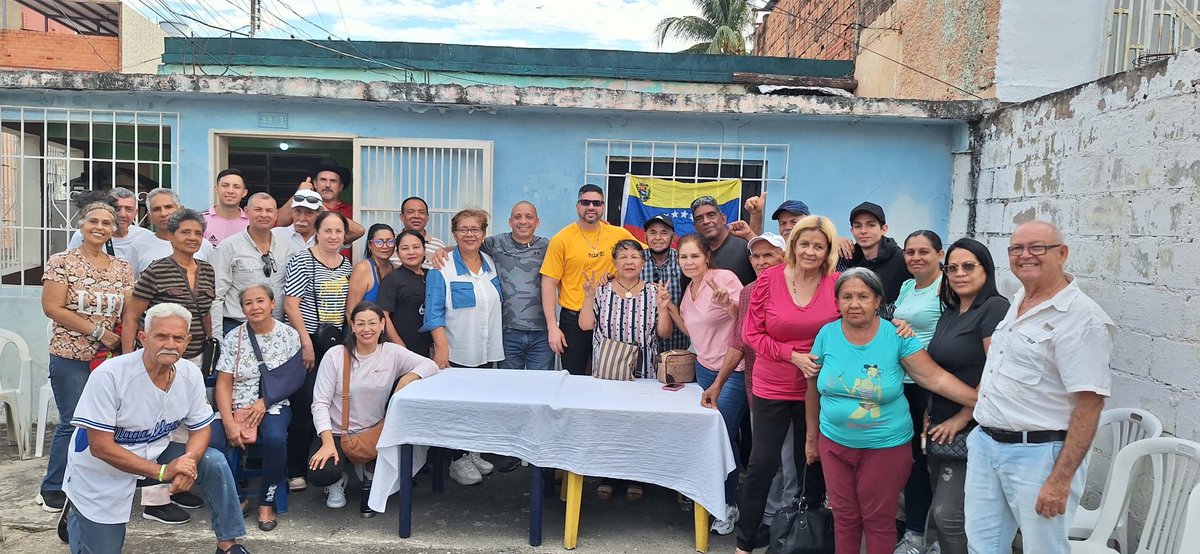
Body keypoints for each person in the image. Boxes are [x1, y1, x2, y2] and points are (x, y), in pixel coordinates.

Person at [964, 221, 1115, 554]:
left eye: (1037, 248)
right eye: (1017, 249)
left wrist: (1060, 481)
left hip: (1040, 456)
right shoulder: (1019, 299)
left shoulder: (1081, 318)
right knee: (982, 547)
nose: (1025, 255)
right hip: (988, 446)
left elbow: (1089, 405)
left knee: (1043, 549)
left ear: (1062, 254)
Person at [807, 268, 977, 554]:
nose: (854, 303)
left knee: (878, 521)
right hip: (834, 444)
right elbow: (812, 387)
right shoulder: (827, 333)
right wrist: (812, 437)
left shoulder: (896, 335)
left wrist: (980, 401)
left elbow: (934, 377)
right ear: (837, 302)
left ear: (878, 301)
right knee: (844, 518)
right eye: (847, 297)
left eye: (863, 296)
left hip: (884, 447)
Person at [61, 303, 248, 554]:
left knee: (214, 462)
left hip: (154, 451)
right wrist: (163, 472)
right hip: (100, 468)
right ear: (143, 337)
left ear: (187, 341)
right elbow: (100, 447)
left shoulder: (190, 373)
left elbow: (202, 428)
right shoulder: (110, 375)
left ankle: (228, 544)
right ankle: (77, 508)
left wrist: (188, 463)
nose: (170, 344)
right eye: (161, 336)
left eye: (178, 337)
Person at [732, 216, 841, 554]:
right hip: (772, 385)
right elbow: (752, 334)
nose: (810, 251)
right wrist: (791, 355)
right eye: (804, 244)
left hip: (818, 388)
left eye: (818, 246)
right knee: (762, 465)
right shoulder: (769, 279)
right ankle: (745, 542)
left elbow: (854, 322)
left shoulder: (836, 283)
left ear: (828, 251)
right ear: (793, 246)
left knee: (810, 463)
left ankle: (802, 540)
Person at [120, 208, 218, 524]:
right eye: (185, 232)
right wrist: (127, 360)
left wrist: (210, 347)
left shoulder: (206, 270)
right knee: (157, 429)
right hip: (159, 360)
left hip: (195, 358)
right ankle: (153, 502)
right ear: (172, 236)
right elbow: (132, 315)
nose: (192, 238)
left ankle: (174, 487)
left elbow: (203, 314)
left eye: (197, 233)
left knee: (186, 426)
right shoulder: (156, 270)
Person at [36, 200, 134, 514]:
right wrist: (98, 332)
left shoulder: (122, 268)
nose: (99, 227)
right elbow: (53, 307)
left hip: (109, 359)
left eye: (107, 223)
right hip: (71, 355)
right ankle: (53, 487)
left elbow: (130, 311)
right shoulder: (61, 261)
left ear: (113, 230)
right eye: (94, 221)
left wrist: (128, 352)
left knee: (106, 423)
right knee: (73, 421)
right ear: (81, 224)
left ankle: (92, 481)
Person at [308, 301, 438, 516]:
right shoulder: (335, 355)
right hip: (338, 432)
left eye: (372, 323)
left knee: (397, 470)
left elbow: (430, 365)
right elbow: (320, 402)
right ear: (351, 325)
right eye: (360, 323)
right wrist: (327, 443)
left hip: (374, 432)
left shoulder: (391, 352)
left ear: (382, 325)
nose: (366, 329)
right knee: (321, 472)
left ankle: (368, 472)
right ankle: (338, 480)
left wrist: (407, 379)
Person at [923, 238, 1009, 554]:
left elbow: (996, 373)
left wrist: (961, 418)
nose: (959, 274)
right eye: (952, 268)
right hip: (940, 427)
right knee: (940, 512)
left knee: (949, 517)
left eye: (968, 266)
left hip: (971, 430)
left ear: (986, 269)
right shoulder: (951, 311)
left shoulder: (995, 309)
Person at [658, 234, 745, 535]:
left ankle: (729, 504)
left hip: (733, 371)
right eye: (683, 257)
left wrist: (729, 304)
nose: (689, 262)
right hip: (704, 369)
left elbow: (744, 320)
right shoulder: (689, 288)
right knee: (709, 437)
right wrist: (668, 306)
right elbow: (690, 329)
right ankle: (709, 497)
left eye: (694, 256)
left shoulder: (723, 279)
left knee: (723, 437)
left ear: (707, 256)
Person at [422, 209, 505, 486]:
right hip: (457, 350)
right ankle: (457, 459)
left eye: (475, 229)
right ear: (454, 234)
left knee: (480, 405)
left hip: (486, 348)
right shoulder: (441, 268)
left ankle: (473, 451)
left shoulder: (491, 263)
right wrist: (441, 347)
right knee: (458, 409)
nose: (470, 234)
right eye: (463, 230)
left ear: (484, 233)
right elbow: (433, 313)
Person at [209, 284, 300, 532]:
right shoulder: (233, 338)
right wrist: (228, 421)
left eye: (260, 301)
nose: (255, 307)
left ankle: (267, 502)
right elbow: (224, 383)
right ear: (242, 309)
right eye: (248, 303)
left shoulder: (289, 335)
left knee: (275, 438)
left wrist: (265, 401)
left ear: (272, 304)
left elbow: (294, 377)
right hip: (237, 405)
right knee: (212, 441)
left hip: (274, 405)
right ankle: (236, 499)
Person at [282, 211, 353, 492]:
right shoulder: (303, 259)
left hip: (335, 342)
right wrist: (305, 342)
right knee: (306, 402)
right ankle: (296, 469)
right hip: (309, 339)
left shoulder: (346, 265)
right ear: (317, 232)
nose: (333, 236)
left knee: (331, 402)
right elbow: (291, 304)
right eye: (328, 230)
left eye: (339, 231)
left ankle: (325, 464)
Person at [541, 185, 638, 375]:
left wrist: (615, 275)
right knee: (573, 377)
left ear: (603, 207)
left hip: (610, 317)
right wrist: (553, 327)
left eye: (596, 203)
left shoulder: (619, 235)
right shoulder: (562, 239)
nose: (591, 207)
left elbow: (640, 259)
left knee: (610, 376)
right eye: (585, 202)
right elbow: (549, 283)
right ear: (578, 206)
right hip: (573, 318)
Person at [891, 229, 945, 554]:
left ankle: (927, 536)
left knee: (931, 462)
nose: (915, 258)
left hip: (930, 387)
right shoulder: (907, 285)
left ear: (940, 254)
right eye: (910, 252)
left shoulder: (946, 287)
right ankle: (913, 531)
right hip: (903, 385)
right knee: (910, 461)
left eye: (923, 251)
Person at [211, 193, 294, 336]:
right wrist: (217, 337)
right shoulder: (228, 247)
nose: (264, 215)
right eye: (258, 210)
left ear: (276, 215)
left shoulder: (287, 247)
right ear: (247, 212)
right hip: (236, 327)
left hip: (276, 329)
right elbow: (216, 296)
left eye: (269, 211)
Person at [67, 187, 151, 277]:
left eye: (129, 209)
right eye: (118, 209)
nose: (123, 214)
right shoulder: (84, 235)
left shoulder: (146, 237)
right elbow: (70, 265)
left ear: (136, 212)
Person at [275, 165, 365, 246]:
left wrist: (323, 210)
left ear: (341, 186)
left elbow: (359, 232)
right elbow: (277, 222)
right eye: (323, 180)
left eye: (333, 181)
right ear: (314, 184)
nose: (327, 185)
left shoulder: (352, 211)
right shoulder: (302, 208)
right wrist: (299, 194)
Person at [134, 188, 215, 276]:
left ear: (181, 210)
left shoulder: (202, 244)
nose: (163, 213)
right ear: (150, 216)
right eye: (156, 209)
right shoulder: (138, 246)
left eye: (168, 207)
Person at [842, 202, 912, 303]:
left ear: (883, 229)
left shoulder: (902, 258)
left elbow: (933, 273)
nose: (863, 231)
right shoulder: (850, 260)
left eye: (871, 225)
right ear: (852, 231)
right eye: (857, 226)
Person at [378, 230, 433, 356]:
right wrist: (400, 347)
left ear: (424, 250)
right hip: (403, 350)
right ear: (397, 253)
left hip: (429, 349)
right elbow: (383, 315)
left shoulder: (432, 275)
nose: (411, 252)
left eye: (416, 247)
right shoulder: (392, 279)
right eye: (404, 248)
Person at [640, 214, 689, 353]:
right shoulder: (636, 261)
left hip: (679, 341)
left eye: (664, 233)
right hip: (645, 343)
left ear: (672, 237)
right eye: (653, 233)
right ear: (645, 237)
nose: (658, 238)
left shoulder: (683, 260)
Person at [691, 195, 755, 286]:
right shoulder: (695, 255)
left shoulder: (744, 246)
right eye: (699, 219)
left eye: (711, 215)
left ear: (723, 219)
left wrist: (756, 215)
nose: (706, 221)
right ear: (695, 227)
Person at [346, 224, 396, 321]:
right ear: (370, 245)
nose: (385, 246)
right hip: (364, 332)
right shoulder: (363, 268)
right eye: (378, 242)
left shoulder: (395, 268)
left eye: (390, 241)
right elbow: (350, 312)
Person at [393, 196, 447, 268]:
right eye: (410, 212)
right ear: (402, 217)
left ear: (427, 217)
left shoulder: (439, 245)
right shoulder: (390, 244)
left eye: (421, 212)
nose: (416, 216)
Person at [202, 168, 249, 247]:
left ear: (244, 192)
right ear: (216, 189)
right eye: (225, 186)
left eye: (236, 187)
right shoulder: (200, 220)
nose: (230, 191)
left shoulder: (251, 222)